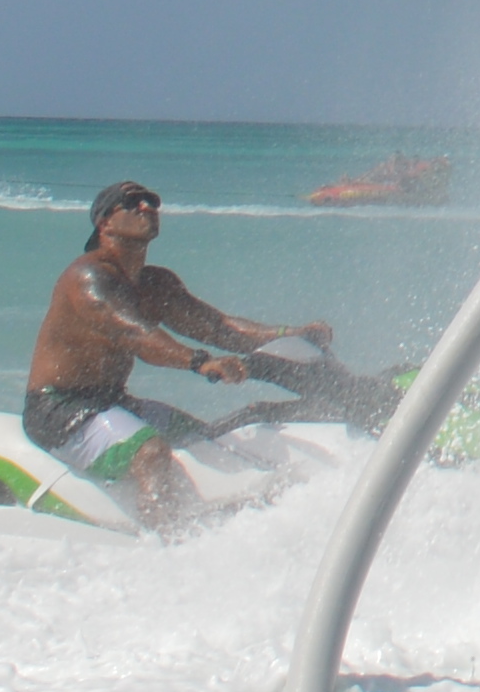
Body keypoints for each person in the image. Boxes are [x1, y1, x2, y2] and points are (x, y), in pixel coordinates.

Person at [21, 182, 344, 529]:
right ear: (104, 223)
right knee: (151, 452)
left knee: (205, 439)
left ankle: (225, 525)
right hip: (59, 409)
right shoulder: (87, 278)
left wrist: (288, 334)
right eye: (132, 202)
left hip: (113, 402)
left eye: (152, 201)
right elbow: (136, 334)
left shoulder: (154, 284)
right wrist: (200, 362)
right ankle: (162, 543)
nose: (147, 207)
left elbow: (218, 326)